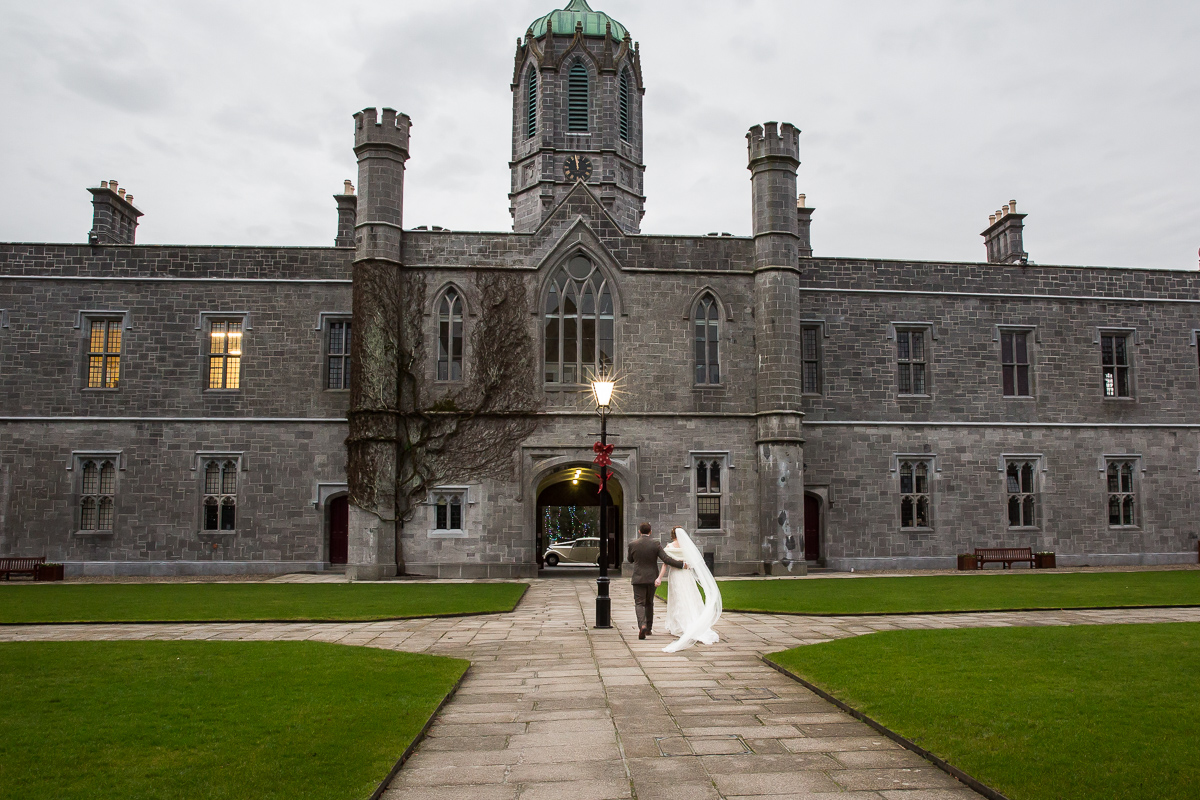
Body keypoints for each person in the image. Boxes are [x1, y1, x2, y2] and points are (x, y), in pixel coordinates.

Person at [656, 526, 721, 652]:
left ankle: (680, 625)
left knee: (678, 599)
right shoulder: (687, 547)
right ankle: (689, 622)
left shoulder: (669, 548)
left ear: (672, 534)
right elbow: (693, 562)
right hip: (686, 575)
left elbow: (665, 564)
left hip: (675, 575)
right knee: (690, 597)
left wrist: (659, 578)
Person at [627, 521, 685, 640]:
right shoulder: (655, 544)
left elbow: (630, 560)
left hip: (638, 577)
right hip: (652, 577)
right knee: (649, 603)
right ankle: (648, 628)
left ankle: (642, 625)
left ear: (639, 532)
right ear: (650, 531)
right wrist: (682, 564)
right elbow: (666, 559)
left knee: (639, 603)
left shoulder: (633, 544)